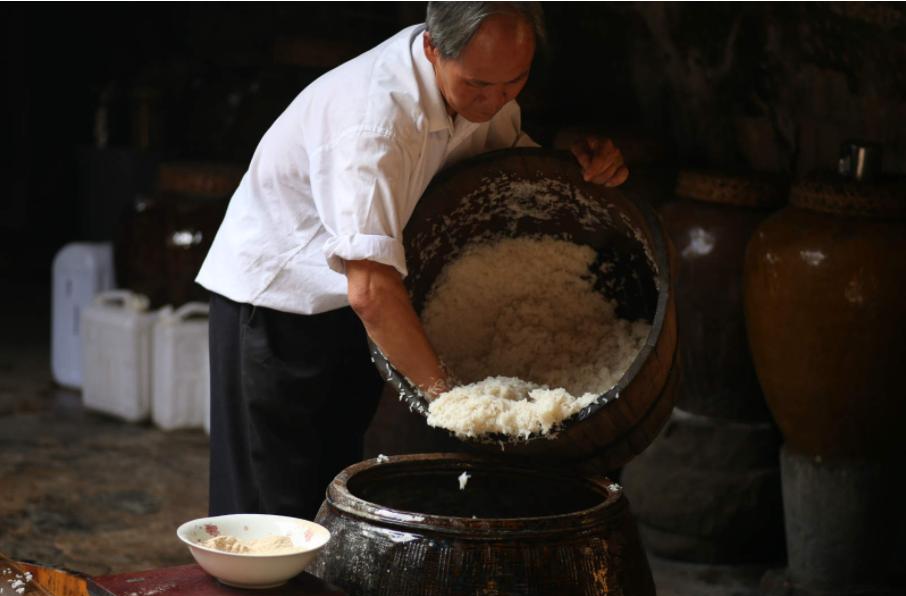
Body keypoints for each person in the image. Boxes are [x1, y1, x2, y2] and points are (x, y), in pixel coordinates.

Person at [196, 1, 629, 520]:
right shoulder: (374, 126)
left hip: (346, 310)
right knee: (268, 516)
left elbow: (508, 169)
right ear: (431, 48)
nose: (494, 101)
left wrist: (574, 157)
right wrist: (460, 403)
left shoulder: (477, 88)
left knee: (329, 501)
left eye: (514, 82)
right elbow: (371, 291)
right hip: (274, 303)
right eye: (477, 86)